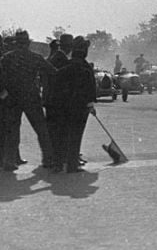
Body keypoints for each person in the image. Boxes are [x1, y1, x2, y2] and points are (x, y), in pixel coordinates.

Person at [0, 30, 57, 171]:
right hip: (31, 97)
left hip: (12, 98)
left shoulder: (6, 58)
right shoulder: (35, 57)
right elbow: (52, 72)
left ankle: (9, 161)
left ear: (15, 43)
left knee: (12, 130)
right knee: (41, 129)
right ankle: (48, 159)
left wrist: (3, 92)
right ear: (29, 43)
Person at [51, 37, 96, 173]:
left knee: (62, 134)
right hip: (80, 108)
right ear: (84, 51)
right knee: (76, 136)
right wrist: (91, 105)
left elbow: (56, 87)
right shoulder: (86, 68)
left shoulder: (65, 67)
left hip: (63, 107)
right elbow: (91, 90)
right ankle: (72, 164)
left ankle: (58, 164)